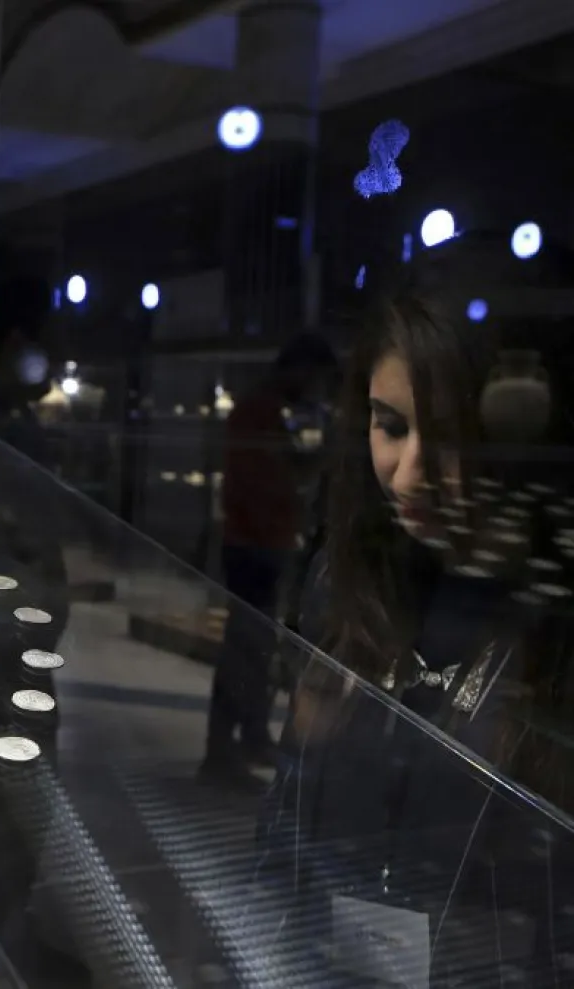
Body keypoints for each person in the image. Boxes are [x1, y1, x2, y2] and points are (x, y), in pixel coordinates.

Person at [256, 238, 574, 986]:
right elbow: (289, 803)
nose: (412, 475)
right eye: (390, 425)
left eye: (458, 437)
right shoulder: (350, 574)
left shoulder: (554, 619)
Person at [202, 333, 337, 786]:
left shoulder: (264, 411)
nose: (316, 388)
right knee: (243, 651)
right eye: (314, 378)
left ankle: (246, 738)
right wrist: (313, 465)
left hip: (262, 542)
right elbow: (271, 481)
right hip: (253, 545)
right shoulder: (258, 412)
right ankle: (221, 754)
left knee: (253, 651)